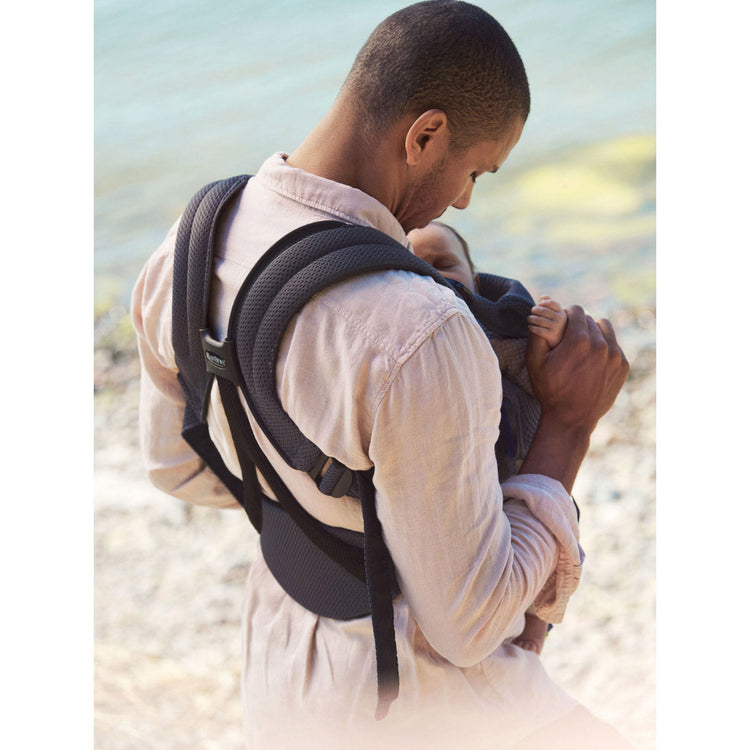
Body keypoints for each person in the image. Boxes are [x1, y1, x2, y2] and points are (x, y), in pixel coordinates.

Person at [131, 2, 631, 748]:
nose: (464, 199)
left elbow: (178, 467)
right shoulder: (417, 330)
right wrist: (569, 423)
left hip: (285, 674)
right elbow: (470, 627)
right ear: (425, 136)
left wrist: (321, 501)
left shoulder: (189, 243)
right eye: (474, 170)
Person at [408, 220, 567, 656]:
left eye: (444, 263)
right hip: (464, 475)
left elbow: (538, 371)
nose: (431, 274)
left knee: (555, 526)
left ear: (475, 280)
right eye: (412, 264)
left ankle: (537, 623)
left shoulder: (497, 328)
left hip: (518, 462)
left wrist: (552, 333)